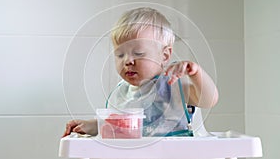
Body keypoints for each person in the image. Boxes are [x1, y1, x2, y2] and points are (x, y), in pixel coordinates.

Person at [62, 7, 218, 137]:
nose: (128, 61)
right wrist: (93, 125)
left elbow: (209, 100)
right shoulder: (124, 92)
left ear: (164, 55)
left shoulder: (173, 83)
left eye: (138, 53)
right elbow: (121, 125)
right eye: (120, 55)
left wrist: (196, 73)